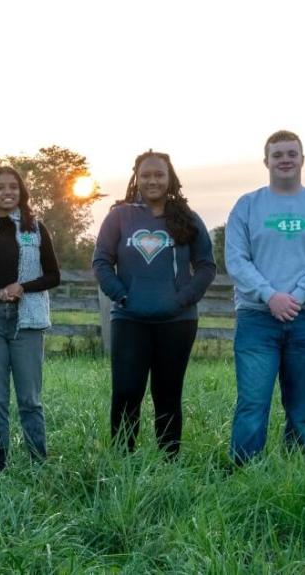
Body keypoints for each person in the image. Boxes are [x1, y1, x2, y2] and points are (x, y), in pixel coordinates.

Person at [226, 130, 305, 464]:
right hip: (256, 319)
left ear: (302, 159)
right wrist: (269, 296)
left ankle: (295, 472)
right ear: (266, 161)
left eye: (291, 153)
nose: (285, 160)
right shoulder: (247, 206)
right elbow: (237, 260)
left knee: (303, 407)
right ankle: (243, 472)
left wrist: (298, 296)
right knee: (252, 404)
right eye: (277, 155)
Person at [93, 150, 216, 459]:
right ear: (136, 177)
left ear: (170, 178)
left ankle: (168, 461)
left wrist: (182, 299)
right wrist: (121, 294)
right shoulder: (119, 216)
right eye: (146, 175)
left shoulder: (187, 218)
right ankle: (123, 460)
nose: (152, 180)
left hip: (177, 321)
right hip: (129, 318)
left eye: (159, 174)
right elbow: (101, 261)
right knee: (126, 393)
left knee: (168, 394)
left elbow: (206, 266)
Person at [0, 166, 61, 472]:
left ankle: (37, 464)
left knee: (30, 398)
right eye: (1, 187)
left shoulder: (35, 229)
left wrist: (22, 288)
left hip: (26, 321)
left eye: (13, 187)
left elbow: (53, 275)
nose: (8, 192)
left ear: (22, 192)